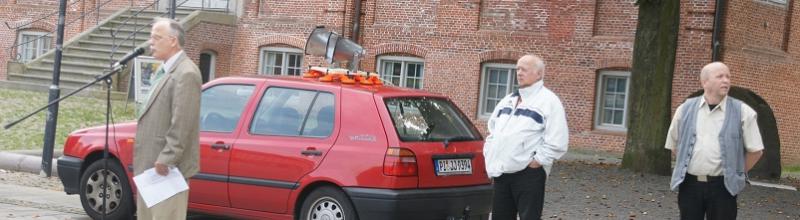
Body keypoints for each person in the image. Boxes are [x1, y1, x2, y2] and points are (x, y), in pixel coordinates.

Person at [665, 62, 764, 220]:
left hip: (723, 187)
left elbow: (756, 151)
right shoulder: (685, 109)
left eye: (728, 77)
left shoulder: (743, 112)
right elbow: (675, 146)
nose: (726, 80)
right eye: (720, 76)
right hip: (689, 185)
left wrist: (736, 172)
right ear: (705, 82)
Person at [483, 54, 569, 220]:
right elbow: (493, 131)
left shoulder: (549, 101)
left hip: (528, 174)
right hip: (501, 173)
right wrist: (489, 152)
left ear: (539, 74)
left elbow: (558, 140)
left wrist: (536, 162)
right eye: (517, 69)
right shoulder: (508, 100)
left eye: (524, 69)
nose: (519, 73)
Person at [133, 17, 201, 219]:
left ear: (173, 40)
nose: (150, 42)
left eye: (156, 37)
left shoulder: (186, 72)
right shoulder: (164, 70)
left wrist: (167, 158)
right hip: (150, 168)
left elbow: (183, 121)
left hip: (167, 170)